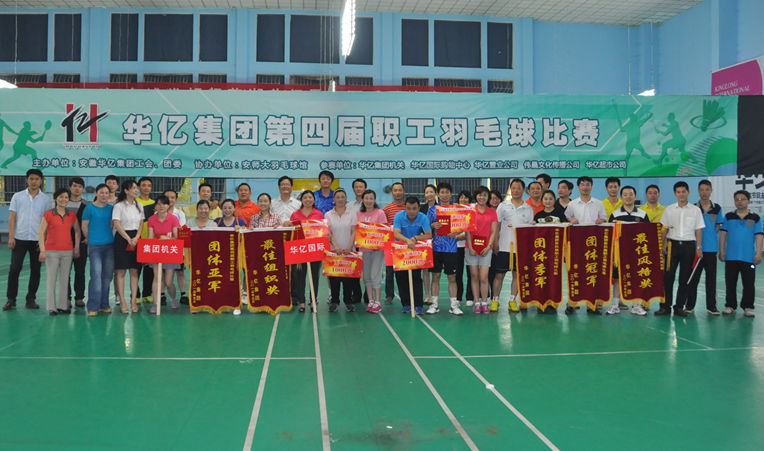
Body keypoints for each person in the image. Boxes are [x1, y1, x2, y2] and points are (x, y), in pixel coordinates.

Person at [4, 168, 50, 311]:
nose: (34, 181)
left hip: (37, 240)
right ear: (26, 180)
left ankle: (31, 299)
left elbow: (47, 222)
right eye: (31, 179)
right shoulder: (17, 196)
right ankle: (11, 299)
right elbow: (12, 218)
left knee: (36, 270)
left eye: (37, 179)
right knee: (14, 269)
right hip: (19, 239)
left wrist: (44, 242)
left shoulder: (46, 199)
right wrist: (11, 236)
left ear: (41, 181)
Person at [656, 181, 704, 317]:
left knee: (685, 278)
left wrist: (698, 247)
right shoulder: (669, 209)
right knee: (668, 277)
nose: (681, 194)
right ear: (675, 194)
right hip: (672, 246)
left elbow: (698, 230)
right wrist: (661, 246)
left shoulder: (695, 210)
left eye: (683, 191)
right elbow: (664, 229)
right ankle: (665, 306)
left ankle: (679, 307)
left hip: (689, 246)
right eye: (678, 192)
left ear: (688, 192)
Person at [565, 176, 607, 314]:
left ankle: (592, 304)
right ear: (578, 187)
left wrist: (601, 221)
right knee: (575, 272)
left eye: (588, 184)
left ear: (591, 186)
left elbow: (604, 219)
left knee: (592, 272)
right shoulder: (572, 204)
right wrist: (571, 219)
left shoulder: (599, 203)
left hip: (594, 245)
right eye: (582, 184)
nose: (585, 187)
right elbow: (567, 217)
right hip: (577, 244)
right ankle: (572, 303)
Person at [606, 185, 650, 316]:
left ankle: (636, 306)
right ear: (621, 197)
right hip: (619, 253)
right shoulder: (615, 214)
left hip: (637, 252)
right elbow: (610, 234)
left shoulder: (642, 214)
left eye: (631, 194)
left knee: (636, 277)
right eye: (625, 194)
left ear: (635, 196)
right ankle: (615, 305)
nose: (628, 197)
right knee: (618, 278)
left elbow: (648, 234)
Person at [719, 190, 762, 318]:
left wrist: (758, 253)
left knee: (749, 283)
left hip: (748, 258)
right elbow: (723, 235)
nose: (740, 202)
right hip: (731, 257)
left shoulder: (755, 218)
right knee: (730, 282)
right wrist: (722, 251)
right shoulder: (728, 216)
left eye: (743, 199)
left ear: (748, 201)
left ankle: (748, 307)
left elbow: (759, 236)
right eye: (737, 199)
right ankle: (730, 306)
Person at [39, 188, 81, 315]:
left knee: (64, 279)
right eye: (61, 197)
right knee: (51, 279)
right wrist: (42, 250)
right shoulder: (48, 214)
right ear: (56, 198)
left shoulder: (71, 215)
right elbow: (41, 232)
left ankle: (63, 306)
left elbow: (77, 231)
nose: (63, 199)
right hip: (51, 252)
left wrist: (76, 247)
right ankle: (52, 307)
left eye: (66, 197)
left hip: (67, 252)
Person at [496, 179, 535, 313]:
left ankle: (512, 300)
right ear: (510, 189)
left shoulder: (528, 209)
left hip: (521, 249)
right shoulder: (503, 206)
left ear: (523, 190)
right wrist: (495, 242)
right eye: (513, 188)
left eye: (518, 188)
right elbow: (496, 225)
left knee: (517, 276)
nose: (516, 190)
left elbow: (530, 230)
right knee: (499, 275)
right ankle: (495, 300)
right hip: (503, 247)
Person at [687, 180, 724, 314]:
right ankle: (689, 306)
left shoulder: (717, 208)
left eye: (707, 189)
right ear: (698, 191)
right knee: (693, 279)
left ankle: (711, 307)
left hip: (711, 250)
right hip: (696, 251)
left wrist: (711, 237)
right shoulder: (693, 208)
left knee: (711, 280)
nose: (704, 192)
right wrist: (697, 246)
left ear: (711, 191)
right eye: (702, 189)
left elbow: (718, 226)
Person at [426, 183, 462, 315]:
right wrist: (432, 225)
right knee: (435, 276)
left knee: (452, 277)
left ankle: (454, 306)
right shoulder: (432, 210)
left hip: (451, 248)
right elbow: (426, 227)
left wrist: (456, 232)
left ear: (451, 194)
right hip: (436, 248)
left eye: (447, 192)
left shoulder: (456, 209)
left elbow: (462, 226)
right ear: (438, 194)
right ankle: (434, 305)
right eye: (442, 192)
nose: (445, 195)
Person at [393, 196, 433, 315]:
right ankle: (406, 304)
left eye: (414, 208)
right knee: (401, 278)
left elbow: (429, 234)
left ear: (418, 208)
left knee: (416, 278)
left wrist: (415, 238)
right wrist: (407, 240)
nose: (411, 211)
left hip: (415, 251)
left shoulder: (423, 217)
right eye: (409, 208)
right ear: (405, 208)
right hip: (400, 251)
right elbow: (396, 233)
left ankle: (419, 305)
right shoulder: (399, 216)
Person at [82, 184, 115, 316]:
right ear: (96, 193)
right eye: (101, 192)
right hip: (95, 247)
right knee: (96, 275)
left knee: (107, 277)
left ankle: (104, 305)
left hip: (109, 246)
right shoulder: (89, 208)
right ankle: (93, 306)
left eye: (107, 193)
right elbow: (84, 226)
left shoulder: (111, 209)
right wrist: (90, 239)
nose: (104, 195)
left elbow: (112, 225)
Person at [112, 180, 144, 314]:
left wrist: (136, 238)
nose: (136, 190)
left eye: (136, 188)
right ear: (126, 190)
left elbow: (141, 223)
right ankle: (122, 301)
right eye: (133, 188)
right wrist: (127, 238)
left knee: (134, 271)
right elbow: (116, 223)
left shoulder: (139, 205)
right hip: (122, 238)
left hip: (136, 238)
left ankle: (133, 300)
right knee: (121, 271)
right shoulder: (118, 206)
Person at [466, 186, 499, 314]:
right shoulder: (471, 211)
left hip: (486, 248)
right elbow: (468, 230)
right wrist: (470, 247)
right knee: (474, 275)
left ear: (488, 197)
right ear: (476, 196)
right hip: (471, 248)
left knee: (484, 276)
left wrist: (489, 246)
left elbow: (494, 231)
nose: (482, 197)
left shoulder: (492, 212)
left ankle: (484, 302)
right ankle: (476, 302)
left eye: (484, 195)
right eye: (479, 195)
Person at [325, 189, 359, 312]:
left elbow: (354, 231)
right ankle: (334, 302)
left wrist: (349, 246)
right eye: (337, 197)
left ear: (346, 198)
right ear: (334, 199)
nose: (340, 199)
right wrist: (336, 246)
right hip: (333, 251)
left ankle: (348, 301)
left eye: (342, 197)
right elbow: (328, 232)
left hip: (349, 251)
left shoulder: (352, 213)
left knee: (348, 279)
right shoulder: (328, 214)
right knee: (334, 278)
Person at [290, 190, 324, 312]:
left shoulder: (319, 214)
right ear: (301, 200)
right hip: (300, 249)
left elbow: (322, 231)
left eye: (310, 197)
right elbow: (291, 232)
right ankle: (302, 302)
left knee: (314, 276)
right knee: (300, 276)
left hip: (314, 249)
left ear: (314, 200)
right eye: (305, 197)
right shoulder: (295, 214)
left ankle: (313, 300)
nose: (308, 199)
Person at [147, 195, 181, 313]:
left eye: (164, 203)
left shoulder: (173, 219)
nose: (161, 206)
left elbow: (177, 237)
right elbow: (150, 237)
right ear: (155, 206)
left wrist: (167, 239)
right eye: (159, 203)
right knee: (157, 278)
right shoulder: (151, 219)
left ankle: (173, 299)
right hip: (157, 251)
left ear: (168, 205)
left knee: (168, 281)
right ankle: (155, 304)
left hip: (170, 252)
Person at [356, 189, 387, 314]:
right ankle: (370, 301)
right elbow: (357, 231)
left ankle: (378, 301)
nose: (369, 201)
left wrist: (376, 244)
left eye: (371, 198)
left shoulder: (380, 213)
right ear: (363, 200)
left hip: (377, 250)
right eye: (366, 198)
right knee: (367, 276)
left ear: (374, 200)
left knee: (375, 275)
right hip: (364, 250)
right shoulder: (359, 214)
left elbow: (383, 231)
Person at [383, 182, 406, 304]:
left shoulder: (408, 207)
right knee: (389, 272)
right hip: (391, 245)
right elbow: (383, 226)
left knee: (403, 272)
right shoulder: (387, 209)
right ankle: (389, 295)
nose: (398, 192)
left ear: (403, 192)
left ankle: (405, 295)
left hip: (405, 244)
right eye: (395, 190)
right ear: (392, 192)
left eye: (400, 190)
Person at [67, 177, 88, 309]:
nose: (77, 188)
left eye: (79, 186)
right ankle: (66, 298)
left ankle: (79, 298)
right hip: (64, 243)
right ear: (70, 187)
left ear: (82, 189)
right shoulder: (63, 203)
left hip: (81, 243)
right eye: (74, 185)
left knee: (80, 271)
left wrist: (88, 237)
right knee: (65, 272)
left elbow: (91, 222)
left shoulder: (87, 205)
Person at [164, 189, 188, 306]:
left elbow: (181, 230)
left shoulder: (180, 214)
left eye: (172, 197)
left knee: (180, 272)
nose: (170, 199)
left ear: (176, 199)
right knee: (163, 272)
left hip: (176, 248)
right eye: (167, 197)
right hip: (163, 248)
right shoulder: (157, 212)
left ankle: (183, 294)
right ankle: (162, 295)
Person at [136, 177, 155, 305]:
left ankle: (147, 294)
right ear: (138, 187)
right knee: (136, 268)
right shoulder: (134, 202)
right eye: (143, 185)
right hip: (137, 239)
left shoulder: (155, 203)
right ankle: (136, 294)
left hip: (150, 240)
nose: (146, 187)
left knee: (149, 269)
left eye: (148, 185)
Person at [454, 190, 474, 307]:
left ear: (469, 199)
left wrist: (466, 236)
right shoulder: (454, 211)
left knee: (471, 272)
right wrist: (457, 237)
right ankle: (458, 297)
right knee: (458, 273)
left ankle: (470, 297)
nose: (463, 199)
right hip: (457, 247)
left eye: (466, 197)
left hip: (469, 246)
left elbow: (474, 229)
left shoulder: (473, 211)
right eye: (461, 197)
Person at [420, 184, 437, 304]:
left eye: (431, 192)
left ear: (435, 193)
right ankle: (427, 295)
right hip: (425, 243)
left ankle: (435, 296)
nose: (429, 194)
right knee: (425, 270)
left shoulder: (440, 208)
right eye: (427, 192)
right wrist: (430, 226)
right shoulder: (421, 209)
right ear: (424, 195)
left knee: (436, 272)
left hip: (439, 243)